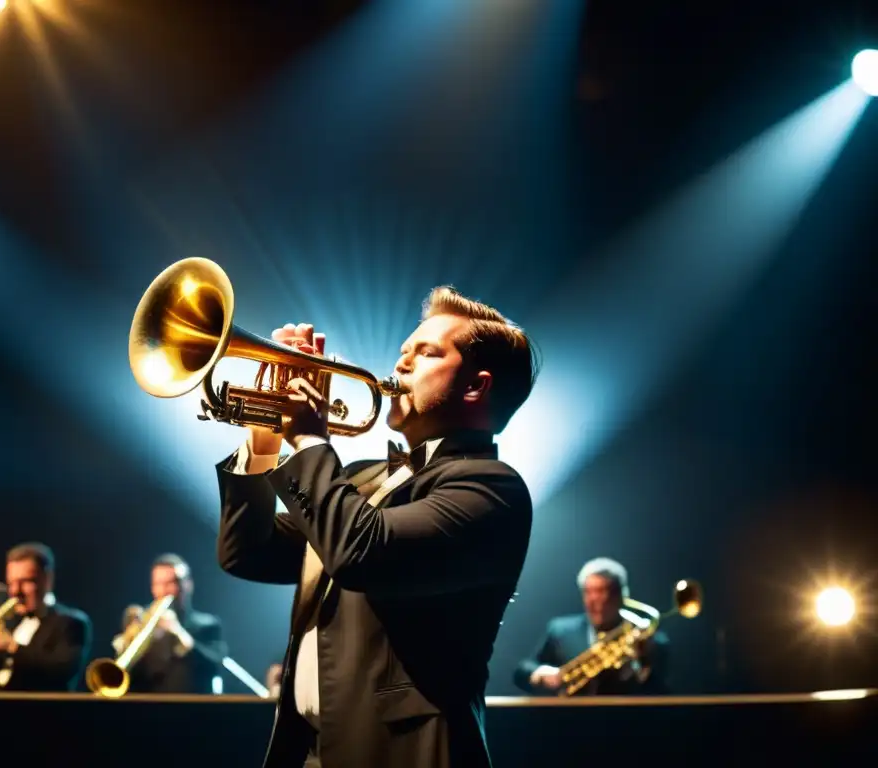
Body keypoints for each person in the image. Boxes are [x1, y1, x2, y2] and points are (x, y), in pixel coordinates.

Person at [216, 286, 539, 768]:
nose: (400, 365)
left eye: (425, 353)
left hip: (404, 754)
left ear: (476, 387)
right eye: (403, 351)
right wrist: (263, 437)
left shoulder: (490, 488)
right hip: (310, 751)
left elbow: (359, 553)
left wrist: (307, 440)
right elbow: (249, 551)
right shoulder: (362, 477)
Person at [513, 557, 670, 695]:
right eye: (588, 592)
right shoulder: (560, 631)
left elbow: (662, 689)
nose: (595, 600)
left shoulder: (650, 639)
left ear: (621, 595)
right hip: (570, 721)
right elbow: (521, 671)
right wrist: (539, 673)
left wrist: (644, 663)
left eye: (603, 592)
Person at [0, 542, 92, 691]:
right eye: (11, 583)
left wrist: (12, 647)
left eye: (26, 581)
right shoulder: (8, 621)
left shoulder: (71, 622)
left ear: (47, 579)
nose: (15, 591)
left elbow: (62, 670)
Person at [111, 553, 228, 694]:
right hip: (147, 709)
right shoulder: (142, 622)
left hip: (192, 708)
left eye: (172, 583)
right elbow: (125, 675)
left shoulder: (207, 624)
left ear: (188, 585)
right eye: (158, 584)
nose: (164, 591)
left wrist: (178, 632)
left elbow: (215, 664)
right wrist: (126, 643)